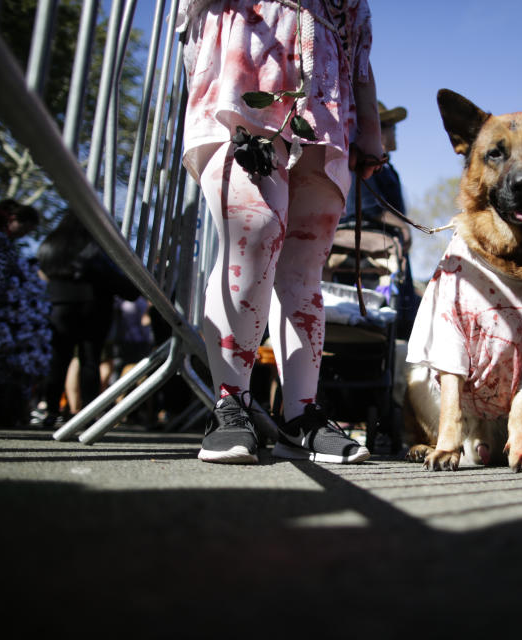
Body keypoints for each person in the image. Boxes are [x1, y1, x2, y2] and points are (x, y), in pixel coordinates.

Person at [176, 0, 382, 464]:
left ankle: (300, 417)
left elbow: (359, 42)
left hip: (326, 99)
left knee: (306, 263)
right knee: (254, 231)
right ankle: (231, 404)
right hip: (244, 67)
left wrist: (369, 127)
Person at [36, 212, 139, 427]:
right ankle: (89, 412)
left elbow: (44, 270)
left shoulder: (53, 243)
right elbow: (114, 277)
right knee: (90, 360)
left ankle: (51, 410)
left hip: (60, 304)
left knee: (59, 359)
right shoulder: (96, 244)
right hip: (95, 305)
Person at [344, 99, 420, 339]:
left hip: (391, 256)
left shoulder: (386, 169)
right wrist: (404, 228)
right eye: (390, 127)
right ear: (379, 130)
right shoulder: (364, 164)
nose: (395, 132)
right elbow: (368, 208)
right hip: (369, 259)